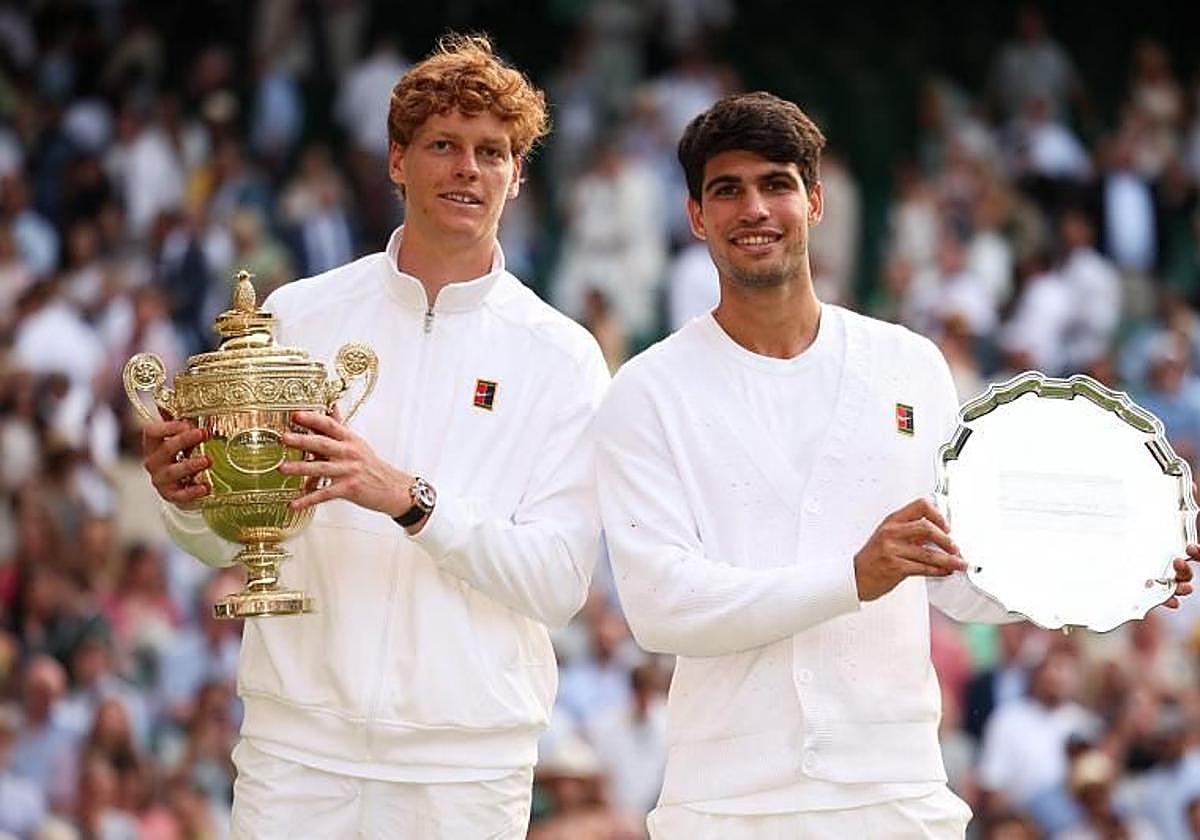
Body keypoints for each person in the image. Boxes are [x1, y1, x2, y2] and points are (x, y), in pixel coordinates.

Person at [593, 91, 1199, 839]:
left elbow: (958, 576)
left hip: (898, 793)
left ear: (815, 202)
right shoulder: (646, 391)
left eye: (776, 184)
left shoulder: (909, 364)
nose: (754, 209)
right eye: (727, 190)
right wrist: (854, 577)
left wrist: (1111, 568)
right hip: (726, 803)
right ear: (695, 216)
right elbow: (662, 607)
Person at [139, 34, 610, 838]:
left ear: (518, 175)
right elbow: (224, 543)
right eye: (443, 145)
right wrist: (186, 498)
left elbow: (558, 585)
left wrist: (411, 501)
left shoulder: (564, 357)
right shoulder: (297, 316)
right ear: (397, 160)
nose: (468, 169)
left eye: (492, 152)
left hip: (464, 773)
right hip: (296, 757)